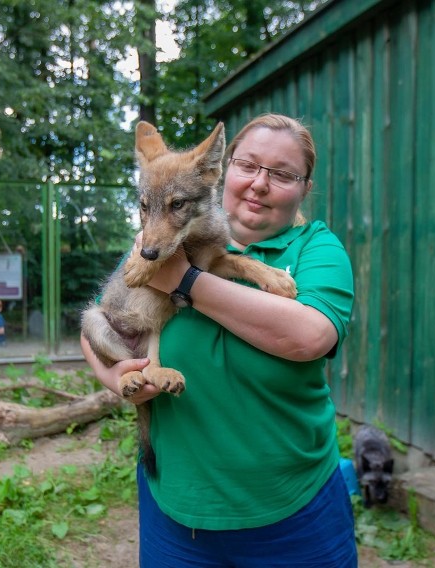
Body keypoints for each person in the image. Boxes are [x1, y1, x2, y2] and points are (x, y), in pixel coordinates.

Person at [81, 114, 356, 566]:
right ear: (222, 170)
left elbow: (309, 337)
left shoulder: (316, 249)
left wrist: (183, 280)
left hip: (293, 511)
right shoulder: (160, 243)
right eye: (248, 165)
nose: (259, 184)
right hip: (177, 506)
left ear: (306, 188)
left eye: (283, 174)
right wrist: (114, 377)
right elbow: (101, 319)